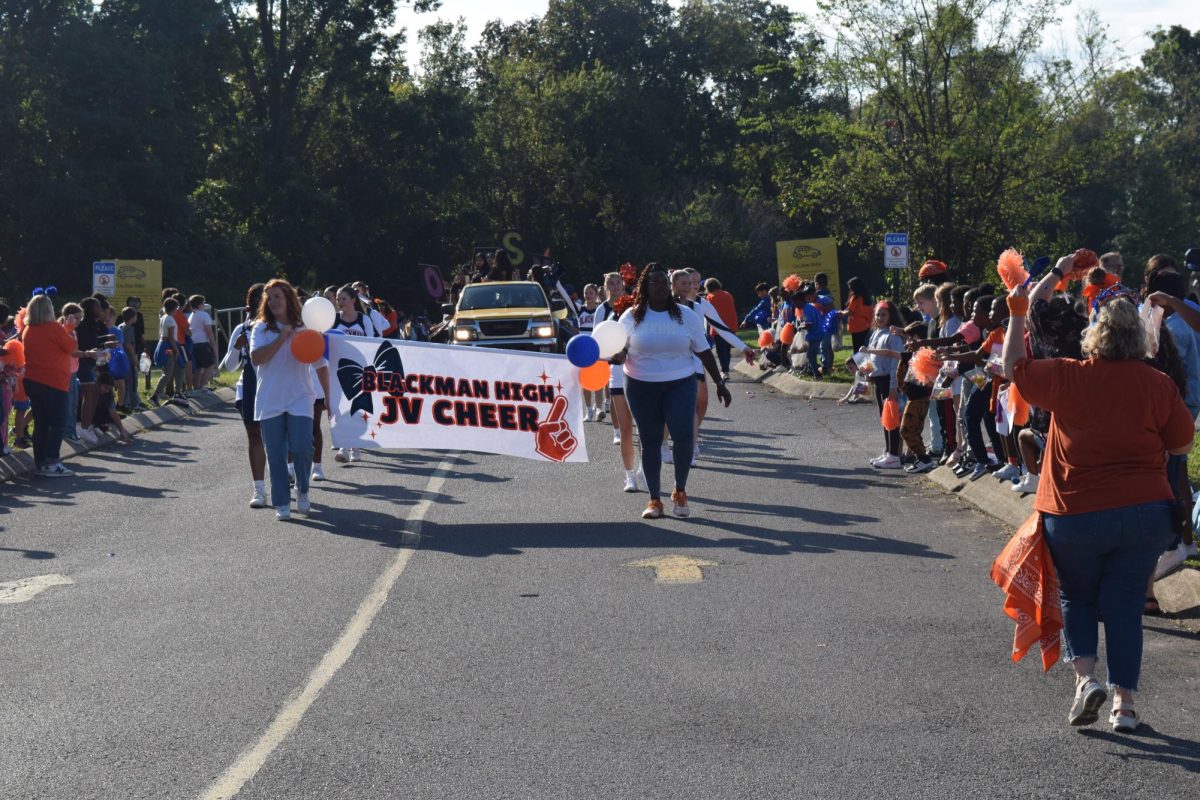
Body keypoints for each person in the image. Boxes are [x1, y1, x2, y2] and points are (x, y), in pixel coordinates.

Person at [1002, 269, 1193, 733]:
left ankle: (1086, 681)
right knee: (1126, 605)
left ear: (1095, 336)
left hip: (1075, 512)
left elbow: (1013, 369)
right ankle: (1124, 706)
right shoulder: (1158, 384)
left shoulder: (1068, 377)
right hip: (1144, 513)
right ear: (1140, 339)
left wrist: (1017, 314)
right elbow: (1181, 446)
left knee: (1078, 596)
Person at [613, 266, 731, 518]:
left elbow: (703, 351)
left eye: (663, 283)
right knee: (650, 440)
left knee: (683, 435)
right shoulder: (631, 317)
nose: (660, 287)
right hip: (640, 384)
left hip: (680, 382)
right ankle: (654, 499)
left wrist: (719, 382)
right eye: (653, 283)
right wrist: (616, 355)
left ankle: (679, 491)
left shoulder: (685, 316)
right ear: (644, 288)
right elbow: (621, 350)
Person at [250, 279, 330, 520]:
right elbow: (257, 358)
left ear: (288, 299)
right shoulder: (261, 329)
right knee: (275, 453)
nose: (273, 301)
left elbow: (321, 365)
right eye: (269, 297)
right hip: (270, 399)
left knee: (303, 446)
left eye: (277, 296)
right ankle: (282, 503)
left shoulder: (305, 329)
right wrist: (282, 336)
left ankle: (303, 489)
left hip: (300, 397)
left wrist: (329, 397)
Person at [20, 294, 101, 476]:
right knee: (57, 423)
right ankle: (53, 462)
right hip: (54, 382)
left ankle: (40, 463)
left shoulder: (28, 330)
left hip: (33, 381)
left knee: (41, 424)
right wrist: (70, 328)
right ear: (48, 310)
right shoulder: (54, 328)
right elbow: (71, 347)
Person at [221, 283, 269, 508]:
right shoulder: (242, 329)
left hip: (274, 383)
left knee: (281, 434)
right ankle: (259, 489)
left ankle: (291, 472)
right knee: (254, 435)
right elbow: (228, 368)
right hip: (249, 385)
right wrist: (235, 348)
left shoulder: (279, 327)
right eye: (257, 300)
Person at [862, 301, 906, 469]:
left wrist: (893, 386)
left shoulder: (893, 335)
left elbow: (896, 361)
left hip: (889, 381)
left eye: (884, 314)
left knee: (892, 417)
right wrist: (869, 373)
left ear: (891, 316)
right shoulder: (876, 333)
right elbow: (872, 358)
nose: (880, 318)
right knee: (884, 417)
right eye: (877, 314)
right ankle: (888, 451)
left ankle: (895, 454)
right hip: (878, 380)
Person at [703, 277, 739, 377]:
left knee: (721, 350)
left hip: (719, 328)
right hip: (731, 325)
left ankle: (725, 371)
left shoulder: (710, 297)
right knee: (727, 349)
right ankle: (726, 368)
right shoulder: (728, 294)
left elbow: (707, 314)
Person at [188, 295, 217, 389]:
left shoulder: (191, 315)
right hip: (202, 343)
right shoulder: (204, 315)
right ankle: (202, 386)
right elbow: (209, 332)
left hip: (193, 343)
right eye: (203, 303)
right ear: (200, 304)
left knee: (198, 368)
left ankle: (196, 388)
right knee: (211, 364)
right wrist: (214, 346)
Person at [839, 277, 874, 352]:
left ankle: (858, 363)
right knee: (865, 347)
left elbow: (850, 312)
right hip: (866, 326)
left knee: (857, 349)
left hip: (857, 328)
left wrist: (840, 313)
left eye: (850, 288)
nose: (850, 290)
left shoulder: (855, 298)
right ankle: (866, 363)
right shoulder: (867, 298)